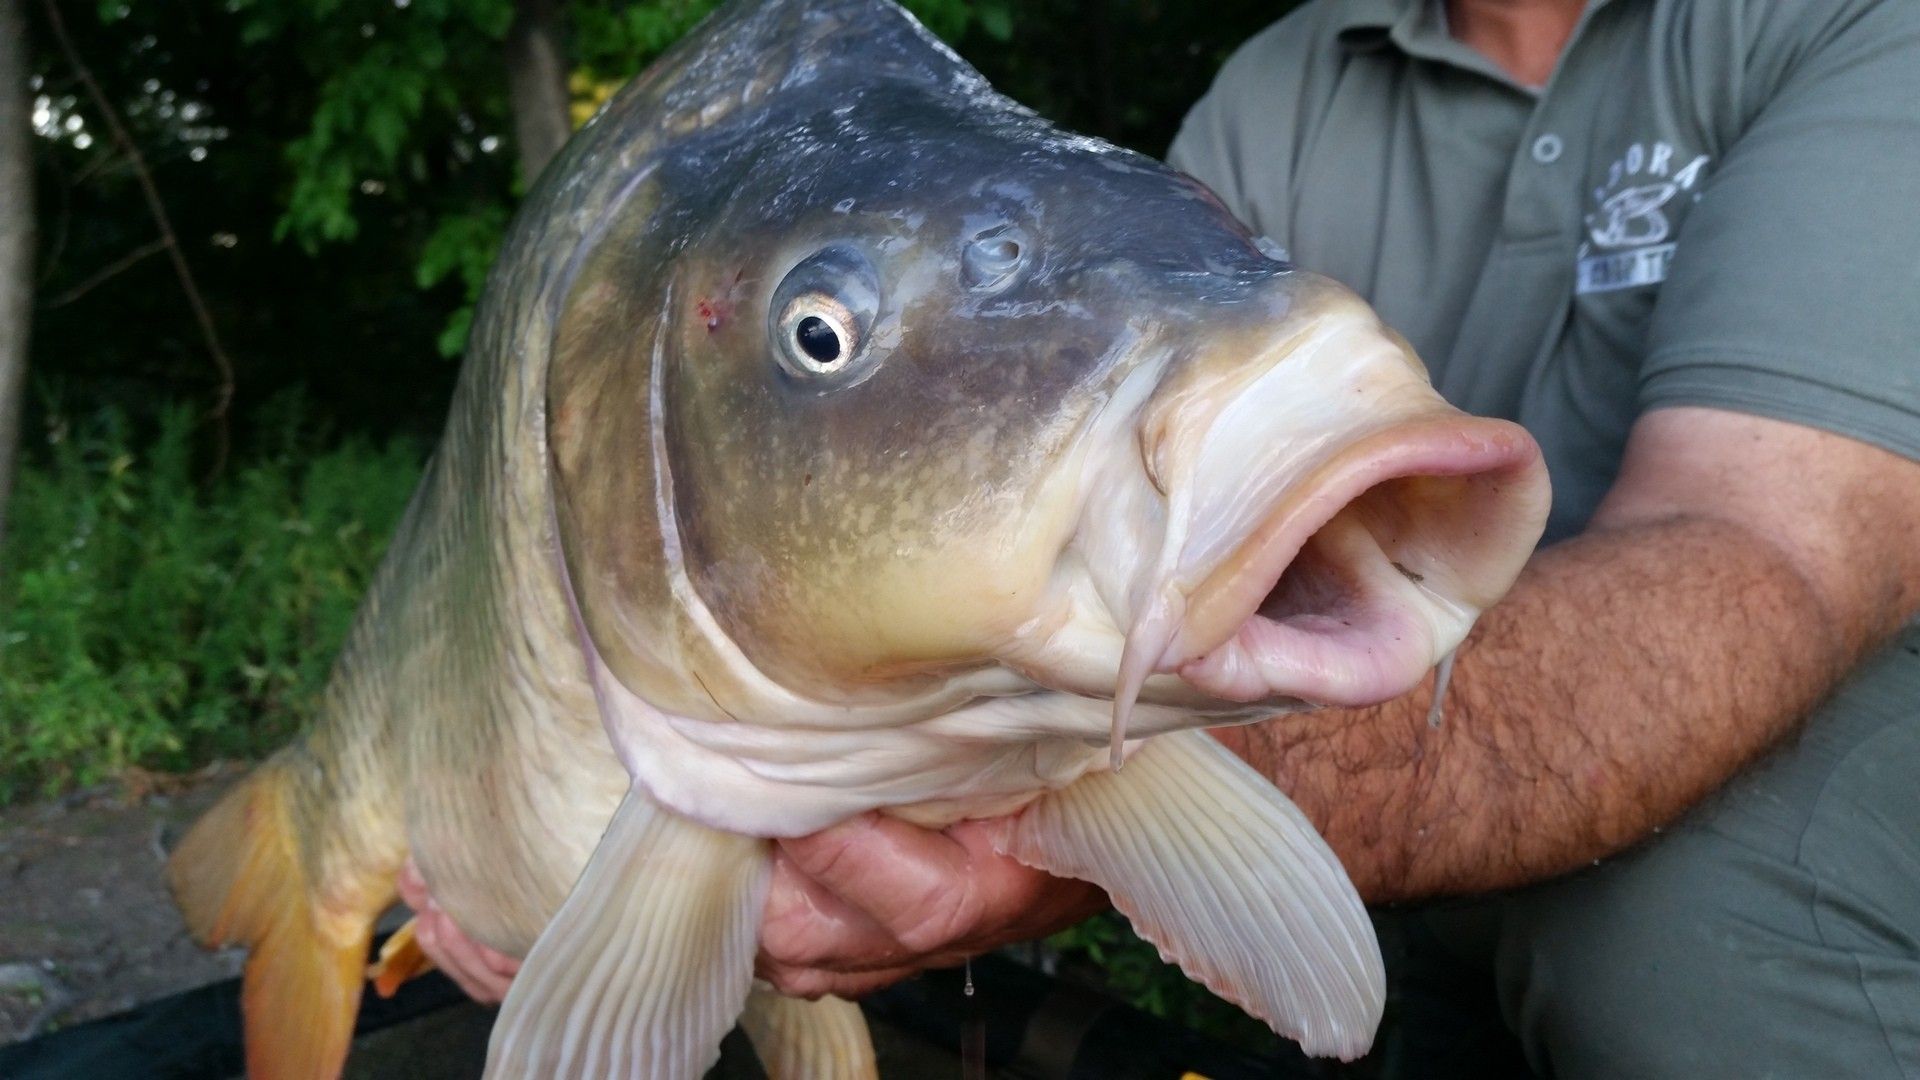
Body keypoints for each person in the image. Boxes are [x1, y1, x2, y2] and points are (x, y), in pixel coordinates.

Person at [410, 1, 1920, 1074]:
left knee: (1688, 939)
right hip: (1395, 816)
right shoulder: (1282, 82)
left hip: (1789, 819)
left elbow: (1771, 563)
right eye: (820, 331)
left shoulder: (1859, 22)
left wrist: (1044, 800)